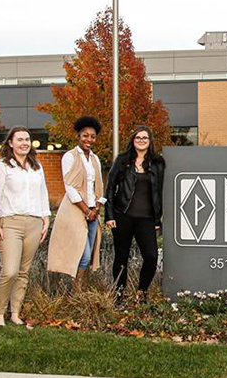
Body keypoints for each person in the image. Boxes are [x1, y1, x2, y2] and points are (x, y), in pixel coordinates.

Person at [0, 126, 50, 326]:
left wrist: (46, 218)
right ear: (10, 143)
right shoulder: (2, 166)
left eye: (27, 139)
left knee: (24, 271)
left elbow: (43, 193)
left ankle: (15, 312)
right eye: (20, 139)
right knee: (10, 271)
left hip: (34, 222)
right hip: (10, 222)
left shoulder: (36, 166)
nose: (24, 143)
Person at [105, 126, 165, 301]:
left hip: (146, 219)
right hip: (122, 215)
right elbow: (110, 189)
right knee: (121, 257)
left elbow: (159, 192)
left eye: (145, 138)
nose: (141, 140)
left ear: (150, 141)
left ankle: (142, 292)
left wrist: (157, 219)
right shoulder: (122, 161)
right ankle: (119, 294)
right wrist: (109, 216)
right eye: (138, 137)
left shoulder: (157, 163)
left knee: (151, 256)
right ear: (133, 140)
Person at [47, 116, 106, 285]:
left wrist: (96, 209)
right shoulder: (69, 156)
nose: (89, 139)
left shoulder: (95, 159)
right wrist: (86, 211)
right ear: (78, 136)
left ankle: (81, 294)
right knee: (83, 253)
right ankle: (77, 292)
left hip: (93, 212)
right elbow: (70, 188)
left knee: (89, 254)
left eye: (92, 136)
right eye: (85, 135)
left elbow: (99, 185)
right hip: (76, 210)